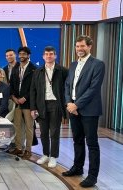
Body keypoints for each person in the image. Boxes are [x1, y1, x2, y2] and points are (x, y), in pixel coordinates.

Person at [62, 35, 105, 188]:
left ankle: (92, 176)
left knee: (92, 144)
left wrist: (76, 105)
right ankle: (77, 167)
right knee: (77, 140)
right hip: (73, 109)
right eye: (77, 46)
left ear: (89, 47)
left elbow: (93, 89)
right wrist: (68, 103)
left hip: (89, 110)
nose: (79, 49)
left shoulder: (98, 64)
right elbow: (68, 85)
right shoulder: (73, 64)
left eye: (82, 46)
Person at [30, 46, 68, 168]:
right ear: (43, 56)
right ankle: (45, 154)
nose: (48, 56)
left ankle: (54, 157)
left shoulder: (62, 70)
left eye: (51, 54)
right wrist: (33, 108)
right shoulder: (38, 71)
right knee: (43, 132)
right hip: (42, 105)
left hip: (56, 104)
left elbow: (67, 89)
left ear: (55, 56)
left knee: (55, 132)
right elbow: (33, 91)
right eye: (46, 54)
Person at [9, 46, 36, 159]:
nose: (21, 56)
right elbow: (12, 84)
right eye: (20, 54)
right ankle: (18, 147)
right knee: (17, 126)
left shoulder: (34, 68)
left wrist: (25, 98)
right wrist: (13, 97)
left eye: (23, 54)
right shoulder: (16, 68)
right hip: (17, 102)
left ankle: (28, 150)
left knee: (29, 127)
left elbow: (34, 87)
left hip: (28, 103)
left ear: (28, 55)